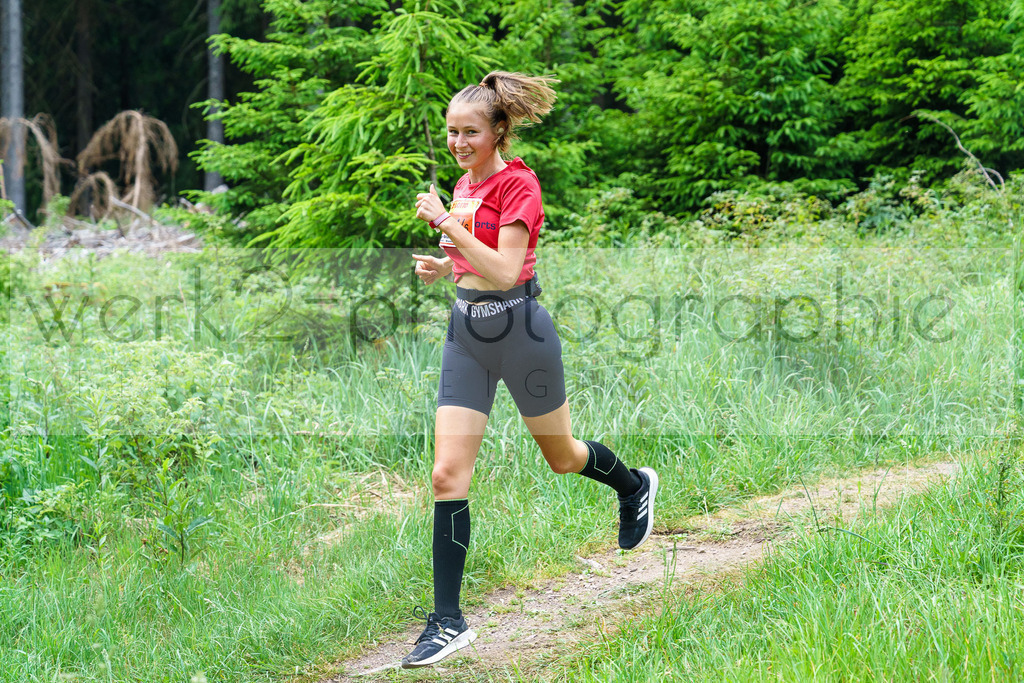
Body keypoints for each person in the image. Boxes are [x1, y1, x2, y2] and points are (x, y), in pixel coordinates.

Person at [403, 71, 658, 669]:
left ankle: (633, 485)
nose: (458, 143)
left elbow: (507, 271)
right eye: (451, 132)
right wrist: (444, 267)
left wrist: (446, 223)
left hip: (522, 333)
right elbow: (472, 259)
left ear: (497, 131)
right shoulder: (466, 185)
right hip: (467, 335)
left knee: (562, 456)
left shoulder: (520, 187)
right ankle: (447, 620)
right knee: (446, 474)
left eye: (469, 132)